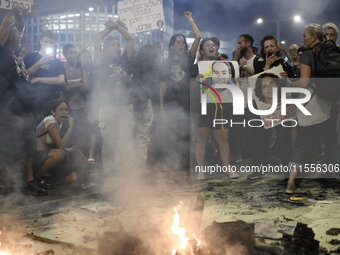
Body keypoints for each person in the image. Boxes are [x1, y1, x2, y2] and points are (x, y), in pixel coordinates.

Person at [0, 6, 47, 196]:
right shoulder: (1, 49)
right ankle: (8, 184)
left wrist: (19, 16)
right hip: (5, 106)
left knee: (27, 144)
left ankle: (29, 182)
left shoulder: (15, 51)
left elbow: (21, 29)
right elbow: (4, 30)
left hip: (22, 105)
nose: (18, 34)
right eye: (14, 32)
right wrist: (9, 16)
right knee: (8, 145)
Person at [285, 24, 338, 193]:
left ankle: (291, 182)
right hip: (327, 102)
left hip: (310, 103)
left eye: (305, 35)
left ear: (314, 36)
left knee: (302, 142)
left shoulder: (307, 54)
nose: (302, 39)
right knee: (330, 142)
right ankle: (334, 179)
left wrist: (289, 84)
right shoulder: (329, 51)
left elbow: (304, 82)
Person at [160, 11, 201, 175]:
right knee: (172, 137)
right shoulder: (165, 63)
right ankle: (172, 167)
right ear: (171, 46)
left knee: (186, 136)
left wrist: (190, 19)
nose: (181, 44)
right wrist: (162, 108)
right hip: (170, 104)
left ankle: (185, 168)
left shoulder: (188, 59)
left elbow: (198, 37)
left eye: (183, 42)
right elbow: (161, 86)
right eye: (178, 42)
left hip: (186, 104)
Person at [193, 38, 239, 179]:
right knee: (201, 139)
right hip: (202, 107)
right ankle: (201, 170)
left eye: (213, 45)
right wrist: (196, 80)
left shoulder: (224, 64)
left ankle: (227, 168)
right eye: (208, 45)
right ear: (202, 50)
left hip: (219, 106)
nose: (211, 46)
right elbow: (190, 88)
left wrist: (236, 78)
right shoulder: (196, 67)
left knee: (223, 139)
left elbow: (232, 83)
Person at [94, 18, 135, 173]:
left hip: (125, 106)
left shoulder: (125, 60)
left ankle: (124, 173)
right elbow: (97, 39)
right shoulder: (100, 61)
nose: (117, 48)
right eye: (112, 45)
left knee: (125, 142)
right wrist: (110, 28)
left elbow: (130, 39)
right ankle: (108, 172)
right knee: (109, 141)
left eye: (118, 45)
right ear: (105, 49)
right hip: (108, 106)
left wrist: (118, 28)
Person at [35, 99, 88, 185]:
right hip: (39, 156)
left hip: (52, 154)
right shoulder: (50, 120)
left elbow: (65, 144)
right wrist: (71, 127)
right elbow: (61, 146)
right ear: (53, 112)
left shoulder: (61, 123)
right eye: (61, 109)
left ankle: (55, 181)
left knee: (79, 175)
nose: (64, 112)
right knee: (59, 154)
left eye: (66, 110)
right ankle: (37, 177)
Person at [24, 30, 65, 119]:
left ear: (54, 44)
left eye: (51, 42)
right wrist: (39, 63)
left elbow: (61, 80)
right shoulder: (30, 57)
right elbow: (26, 74)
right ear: (40, 41)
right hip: (33, 100)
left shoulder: (57, 62)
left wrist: (39, 79)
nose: (48, 44)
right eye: (46, 41)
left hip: (52, 101)